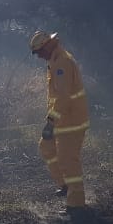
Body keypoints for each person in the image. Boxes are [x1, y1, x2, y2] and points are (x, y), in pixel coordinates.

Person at [29, 30, 90, 212]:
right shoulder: (56, 60)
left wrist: (51, 122)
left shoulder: (61, 62)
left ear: (47, 46)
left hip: (71, 121)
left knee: (68, 160)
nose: (39, 56)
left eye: (39, 52)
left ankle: (76, 204)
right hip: (64, 119)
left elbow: (63, 96)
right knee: (46, 148)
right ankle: (64, 185)